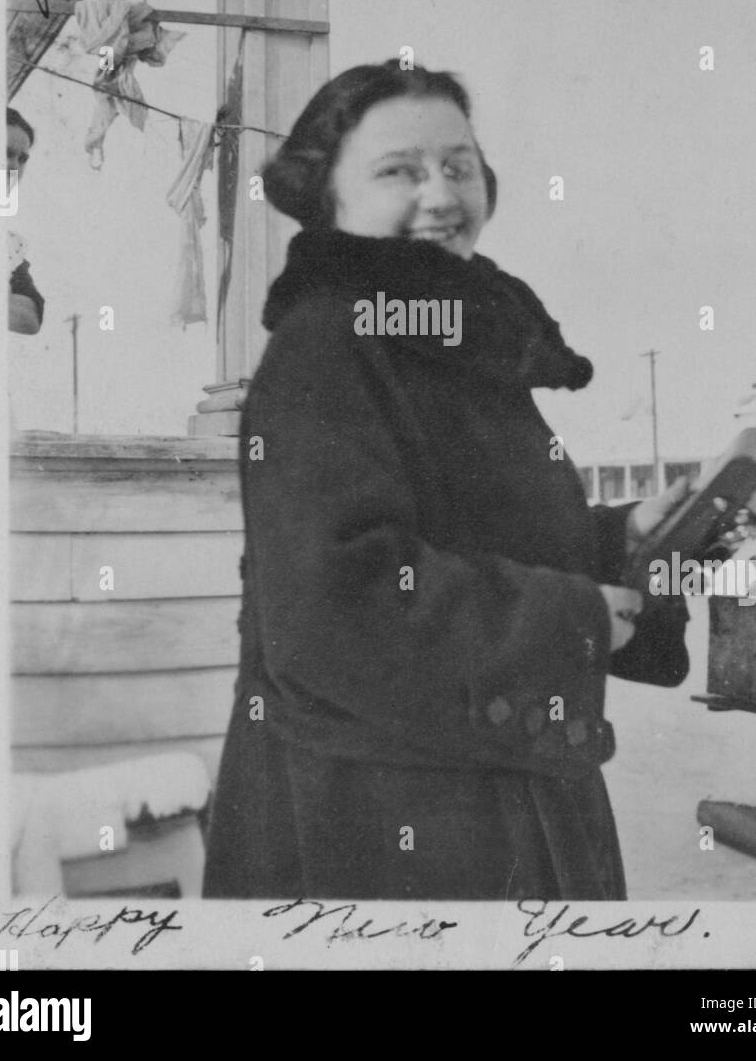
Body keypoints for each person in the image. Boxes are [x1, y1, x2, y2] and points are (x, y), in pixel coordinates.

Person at [202, 59, 689, 901]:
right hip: (381, 820)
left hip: (490, 778)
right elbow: (333, 606)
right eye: (399, 171)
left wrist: (621, 538)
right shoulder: (326, 347)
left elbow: (481, 534)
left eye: (458, 166)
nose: (440, 194)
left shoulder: (440, 333)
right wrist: (572, 620)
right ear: (329, 198)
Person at [7, 108, 45, 335]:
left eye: (22, 159)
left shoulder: (6, 242)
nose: (14, 167)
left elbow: (32, 317)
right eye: (6, 153)